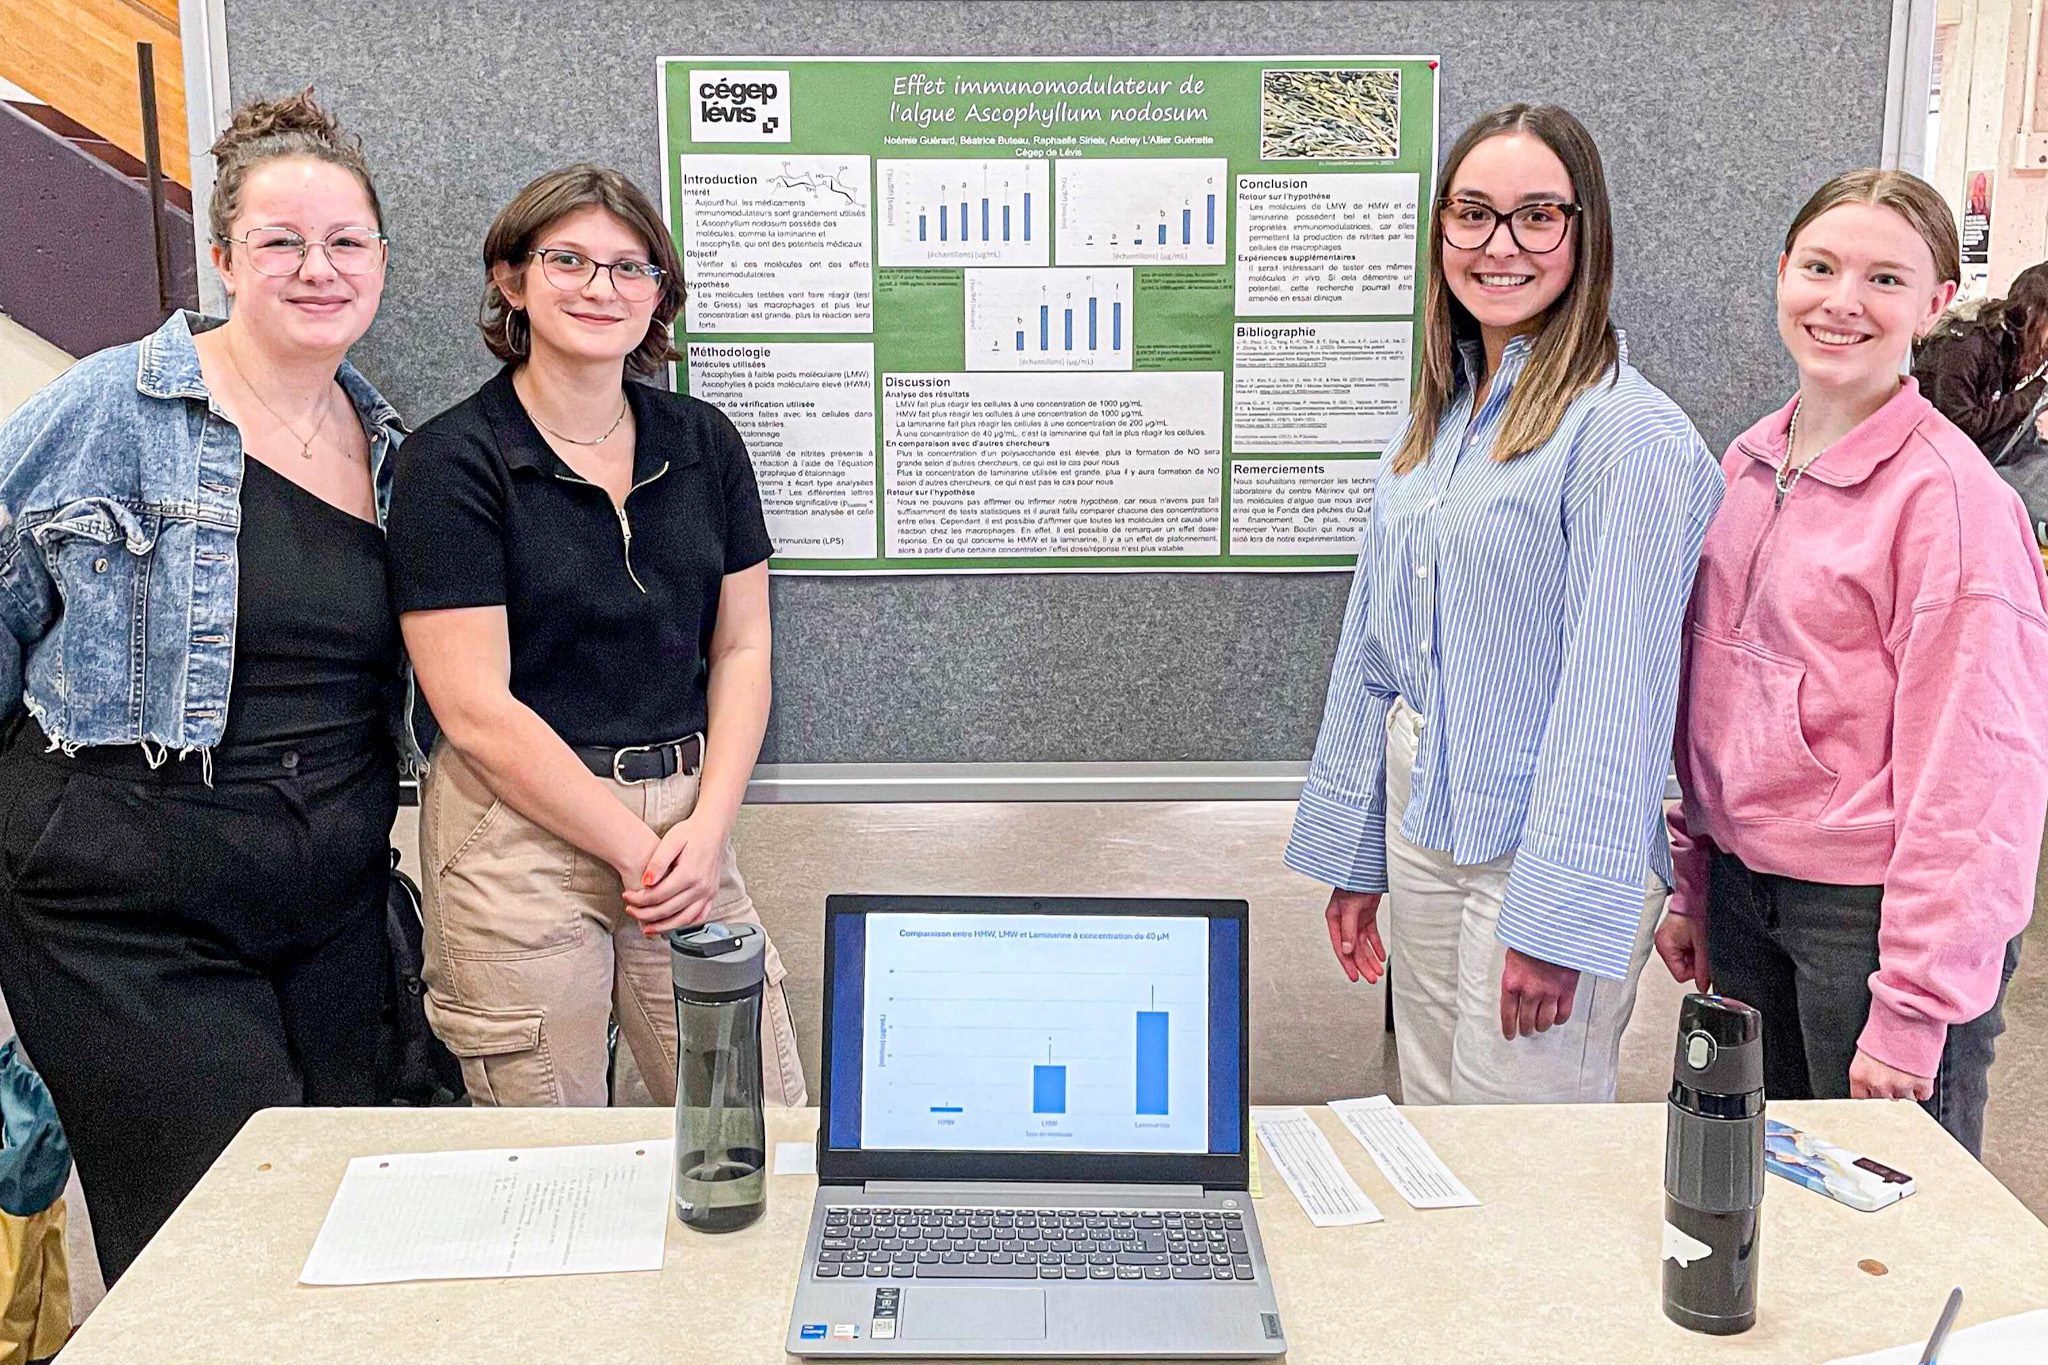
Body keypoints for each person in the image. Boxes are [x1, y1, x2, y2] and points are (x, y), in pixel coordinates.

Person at [0, 90, 406, 1284]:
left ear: (380, 260)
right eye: (281, 242)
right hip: (126, 904)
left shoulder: (389, 445)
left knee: (341, 1230)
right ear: (223, 257)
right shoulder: (111, 407)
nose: (316, 267)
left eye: (344, 242)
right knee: (219, 1258)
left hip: (327, 905)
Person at [1284, 104, 1723, 1104]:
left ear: (1583, 231)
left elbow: (1615, 697)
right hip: (1425, 819)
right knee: (1437, 1118)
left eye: (1536, 216)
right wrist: (1357, 853)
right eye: (1472, 214)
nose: (1498, 245)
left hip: (1538, 845)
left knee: (1525, 1154)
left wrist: (1556, 919)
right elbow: (1375, 650)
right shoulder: (1440, 418)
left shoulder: (1622, 435)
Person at [386, 165, 805, 1109]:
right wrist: (632, 845)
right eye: (567, 260)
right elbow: (473, 707)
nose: (600, 288)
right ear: (511, 278)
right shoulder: (453, 460)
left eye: (630, 267)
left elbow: (742, 651)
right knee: (549, 1152)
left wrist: (705, 830)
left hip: (690, 823)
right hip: (515, 830)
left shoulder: (703, 441)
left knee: (757, 1123)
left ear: (660, 291)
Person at [1659, 170, 2048, 1158]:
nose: (1840, 301)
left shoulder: (1949, 506)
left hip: (1871, 924)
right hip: (1750, 895)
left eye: (1882, 278)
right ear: (1780, 276)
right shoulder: (1745, 464)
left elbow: (1978, 780)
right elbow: (1710, 699)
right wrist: (1693, 880)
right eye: (1820, 267)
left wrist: (1913, 1006)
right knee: (1773, 1196)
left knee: (1891, 1218)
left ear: (1932, 303)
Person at [1913, 261, 2048, 459]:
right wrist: (2033, 392)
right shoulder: (1965, 345)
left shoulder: (2011, 344)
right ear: (2032, 312)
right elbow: (1962, 425)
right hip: (1935, 458)